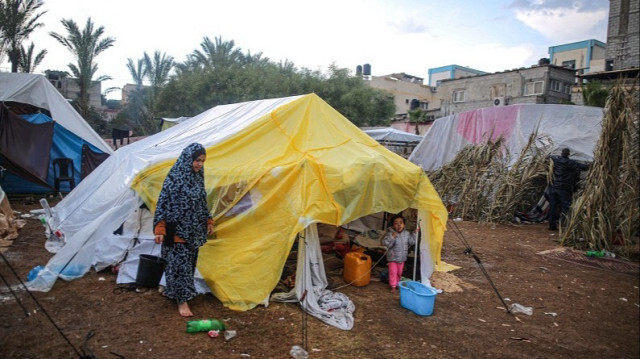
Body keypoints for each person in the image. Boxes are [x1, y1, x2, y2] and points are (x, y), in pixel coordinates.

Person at [153, 143, 215, 317]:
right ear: (188, 159)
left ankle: (173, 292)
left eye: (202, 161)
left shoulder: (197, 178)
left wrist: (208, 220)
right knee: (179, 267)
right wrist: (160, 228)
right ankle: (182, 301)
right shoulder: (174, 178)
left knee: (187, 266)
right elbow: (163, 204)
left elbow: (202, 202)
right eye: (197, 160)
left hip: (193, 230)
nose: (199, 164)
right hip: (176, 231)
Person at [547, 148, 589, 231]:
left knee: (553, 207)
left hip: (554, 187)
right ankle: (566, 226)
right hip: (564, 188)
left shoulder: (555, 160)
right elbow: (583, 167)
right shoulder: (570, 163)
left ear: (561, 153)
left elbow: (548, 157)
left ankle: (552, 225)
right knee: (566, 207)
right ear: (568, 154)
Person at [382, 214, 418, 294]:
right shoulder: (390, 233)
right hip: (392, 258)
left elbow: (411, 242)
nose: (399, 225)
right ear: (393, 225)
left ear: (404, 224)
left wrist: (415, 234)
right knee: (393, 272)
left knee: (399, 273)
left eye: (401, 223)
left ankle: (397, 283)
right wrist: (392, 237)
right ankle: (393, 286)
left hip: (402, 258)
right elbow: (387, 244)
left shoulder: (407, 233)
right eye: (396, 223)